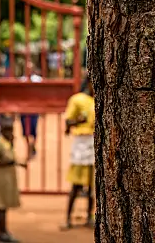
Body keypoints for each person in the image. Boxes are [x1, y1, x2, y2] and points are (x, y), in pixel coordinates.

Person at [62, 74, 95, 229]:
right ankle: (68, 217)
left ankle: (89, 216)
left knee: (92, 184)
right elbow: (68, 122)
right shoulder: (77, 99)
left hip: (93, 142)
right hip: (81, 143)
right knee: (76, 184)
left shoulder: (99, 100)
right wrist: (78, 121)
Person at [0, 115, 23, 243]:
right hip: (1, 177)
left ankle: (4, 230)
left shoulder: (8, 143)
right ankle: (2, 232)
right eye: (8, 130)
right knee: (1, 205)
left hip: (9, 177)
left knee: (5, 205)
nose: (11, 133)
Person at [17, 58, 42, 159]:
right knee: (25, 131)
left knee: (34, 129)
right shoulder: (21, 80)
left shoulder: (38, 80)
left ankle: (33, 146)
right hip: (24, 110)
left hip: (34, 109)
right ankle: (29, 146)